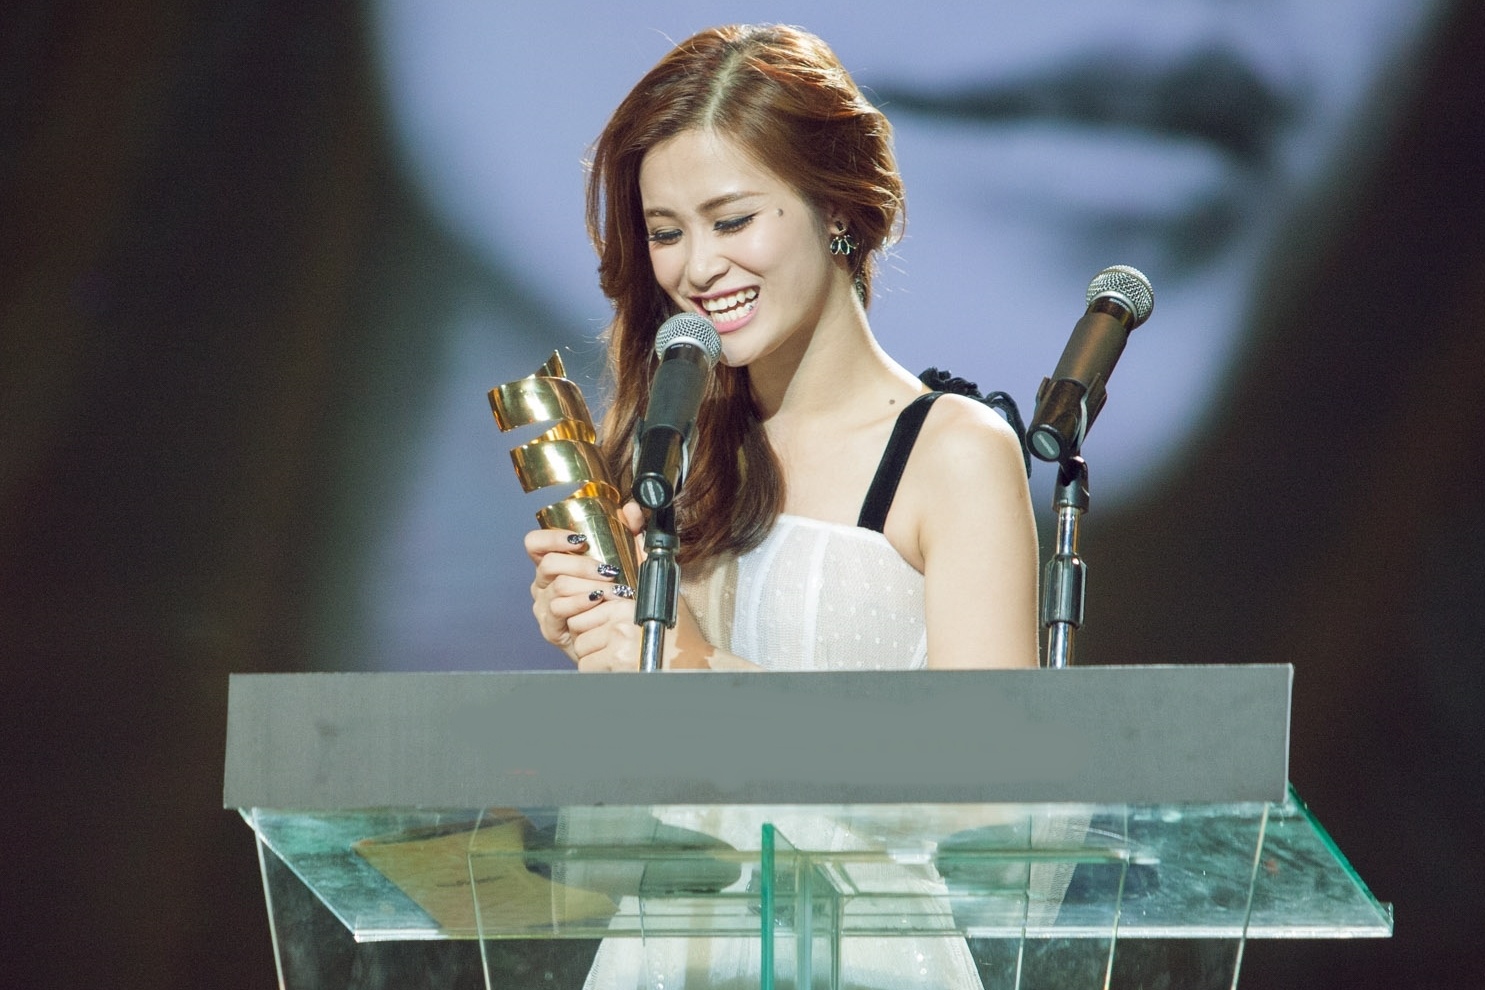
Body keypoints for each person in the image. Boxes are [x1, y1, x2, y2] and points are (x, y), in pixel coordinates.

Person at [522, 24, 1036, 989]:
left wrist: (701, 672)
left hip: (867, 951)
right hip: (668, 948)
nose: (696, 268)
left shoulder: (951, 452)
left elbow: (993, 804)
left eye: (732, 221)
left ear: (836, 208)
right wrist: (604, 645)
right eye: (666, 232)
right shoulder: (672, 444)